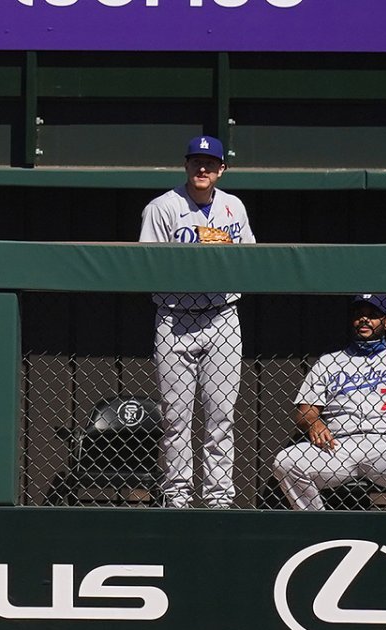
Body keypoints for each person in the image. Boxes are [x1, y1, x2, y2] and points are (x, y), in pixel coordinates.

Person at [139, 135, 255, 509]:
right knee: (176, 420)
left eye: (210, 163)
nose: (202, 168)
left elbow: (252, 259)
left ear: (221, 169)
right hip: (175, 317)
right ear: (186, 165)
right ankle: (177, 496)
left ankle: (219, 497)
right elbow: (148, 266)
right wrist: (194, 259)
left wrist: (223, 254)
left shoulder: (233, 207)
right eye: (195, 162)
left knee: (221, 419)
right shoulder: (163, 207)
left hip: (223, 316)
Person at [273, 294, 386, 510]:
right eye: (359, 314)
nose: (364, 319)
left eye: (373, 315)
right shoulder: (329, 362)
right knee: (286, 461)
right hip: (337, 446)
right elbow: (305, 414)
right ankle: (316, 524)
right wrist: (314, 423)